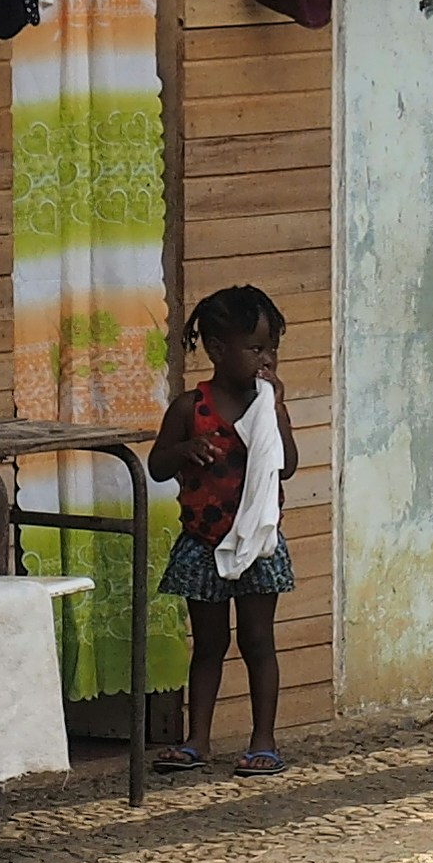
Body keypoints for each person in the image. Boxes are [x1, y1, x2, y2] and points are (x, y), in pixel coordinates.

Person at [148, 282, 300, 774]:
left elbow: (288, 465)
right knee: (208, 645)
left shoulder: (266, 405)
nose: (265, 359)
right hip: (203, 543)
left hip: (257, 543)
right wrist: (183, 451)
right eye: (255, 348)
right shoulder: (190, 408)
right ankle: (198, 740)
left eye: (271, 348)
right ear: (217, 350)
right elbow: (156, 465)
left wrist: (274, 411)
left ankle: (263, 740)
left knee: (259, 640)